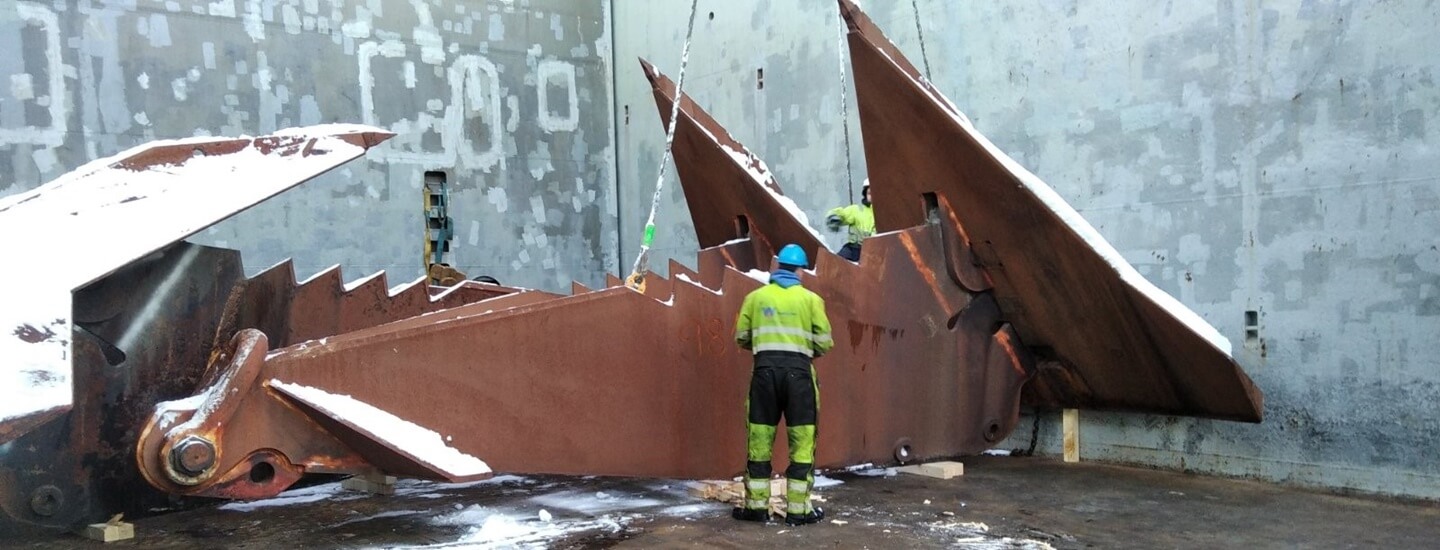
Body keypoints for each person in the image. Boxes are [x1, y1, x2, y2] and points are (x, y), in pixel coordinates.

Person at [731, 243, 834, 526]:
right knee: (802, 443)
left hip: (764, 374)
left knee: (759, 442)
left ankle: (756, 509)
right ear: (800, 270)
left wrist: (767, 345)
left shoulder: (755, 297)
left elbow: (741, 337)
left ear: (777, 268)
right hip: (799, 376)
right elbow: (825, 342)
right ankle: (798, 512)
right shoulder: (811, 300)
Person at [826, 180, 874, 262]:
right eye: (869, 193)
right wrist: (834, 217)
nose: (872, 196)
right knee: (836, 262)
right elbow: (843, 213)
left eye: (874, 193)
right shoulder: (857, 210)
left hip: (872, 252)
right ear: (865, 194)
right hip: (853, 248)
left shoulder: (881, 213)